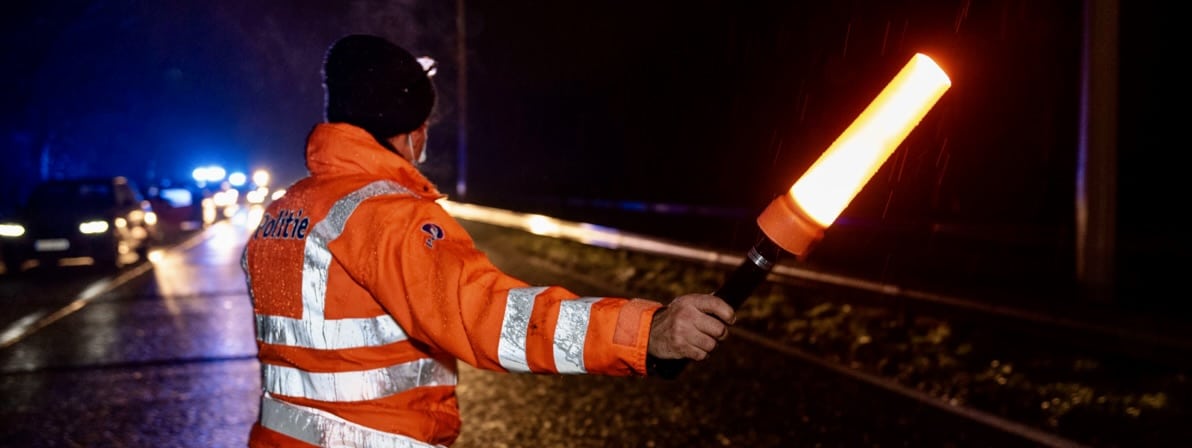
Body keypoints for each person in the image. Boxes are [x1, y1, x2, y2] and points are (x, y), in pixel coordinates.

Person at [242, 33, 736, 448]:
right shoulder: (389, 217)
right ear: (408, 129)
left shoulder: (283, 213)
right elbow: (493, 319)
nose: (425, 138)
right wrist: (646, 333)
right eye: (423, 124)